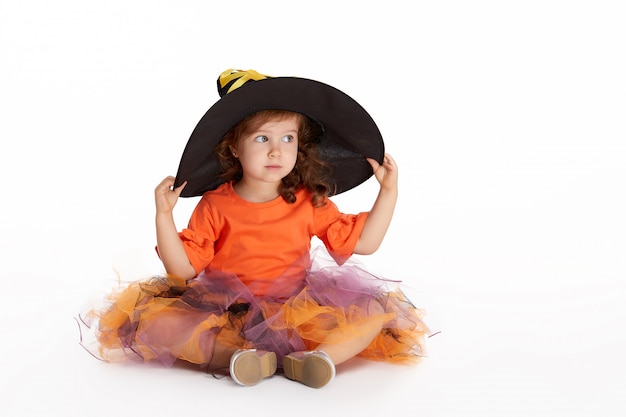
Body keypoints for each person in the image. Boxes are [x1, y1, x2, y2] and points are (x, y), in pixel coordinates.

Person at [79, 69, 429, 388]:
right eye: (263, 139)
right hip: (225, 311)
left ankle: (315, 360)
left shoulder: (308, 200)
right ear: (234, 146)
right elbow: (181, 270)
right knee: (158, 324)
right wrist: (163, 217)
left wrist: (388, 192)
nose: (277, 151)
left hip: (293, 309)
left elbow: (365, 243)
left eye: (288, 139)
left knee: (370, 316)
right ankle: (239, 359)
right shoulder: (216, 204)